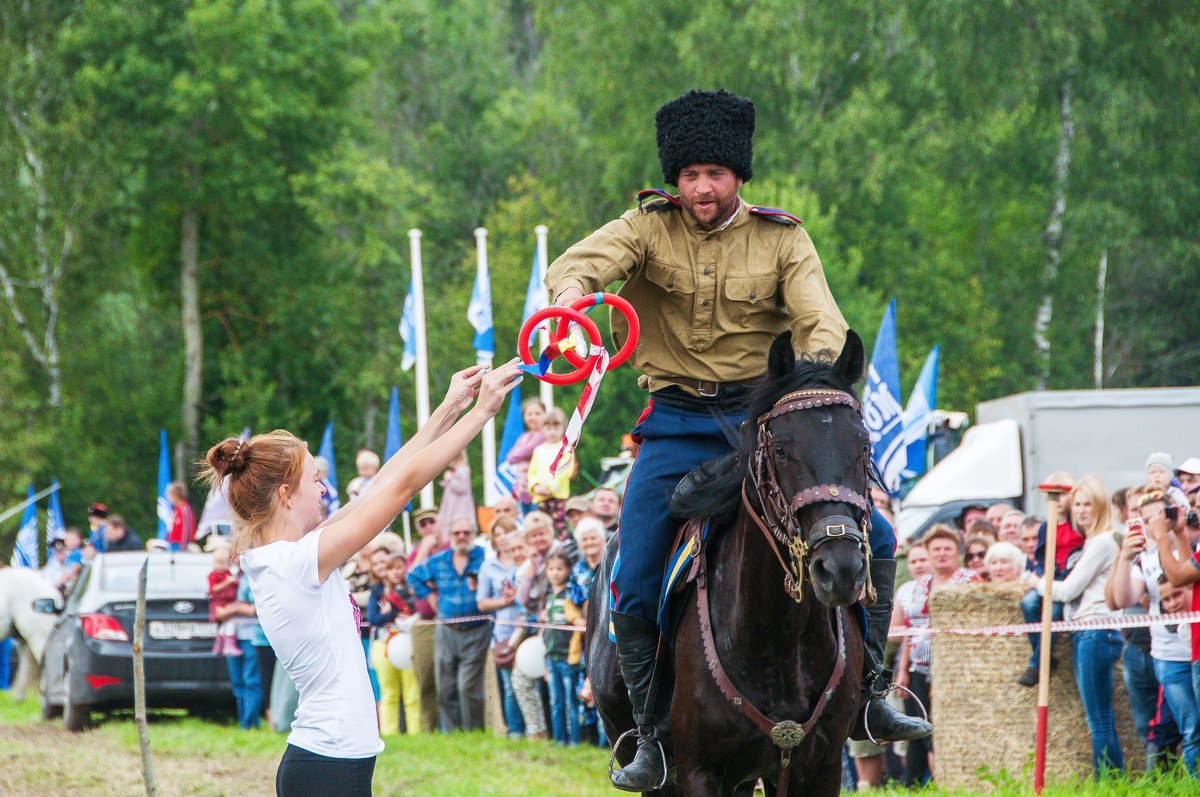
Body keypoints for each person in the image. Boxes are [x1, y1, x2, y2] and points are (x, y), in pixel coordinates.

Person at [546, 88, 925, 790]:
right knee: (631, 574)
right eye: (688, 174)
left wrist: (821, 378)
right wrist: (571, 301)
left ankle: (870, 693)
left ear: (738, 175)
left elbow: (822, 323)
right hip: (674, 425)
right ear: (674, 178)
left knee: (873, 535)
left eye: (714, 173)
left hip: (765, 423)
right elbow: (576, 267)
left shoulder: (785, 239)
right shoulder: (644, 227)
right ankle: (653, 736)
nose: (700, 187)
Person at [201, 360, 520, 795]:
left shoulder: (294, 554)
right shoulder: (295, 562)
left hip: (329, 764)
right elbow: (401, 489)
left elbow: (383, 484)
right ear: (285, 495)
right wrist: (481, 413)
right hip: (325, 767)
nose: (325, 490)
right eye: (316, 480)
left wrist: (450, 407)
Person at [1022, 476, 1123, 774]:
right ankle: (1110, 780)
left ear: (1100, 506)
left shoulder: (1102, 542)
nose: (1081, 510)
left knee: (1099, 719)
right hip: (1087, 631)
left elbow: (1066, 591)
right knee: (1098, 717)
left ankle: (1109, 780)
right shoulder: (1095, 541)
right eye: (1077, 503)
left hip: (1095, 630)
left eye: (1087, 504)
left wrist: (1033, 580)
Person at [1109, 488, 1199, 773]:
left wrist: (1174, 534)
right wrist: (1123, 557)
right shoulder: (1145, 558)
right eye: (1147, 519)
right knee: (1190, 729)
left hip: (1193, 649)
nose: (1154, 524)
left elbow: (1184, 578)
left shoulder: (1191, 545)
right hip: (1168, 655)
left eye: (1160, 515)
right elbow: (1120, 600)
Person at [895, 525, 979, 785]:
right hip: (919, 667)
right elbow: (910, 630)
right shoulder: (918, 586)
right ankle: (913, 784)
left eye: (947, 548)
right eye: (936, 549)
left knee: (944, 728)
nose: (941, 554)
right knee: (917, 728)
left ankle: (947, 781)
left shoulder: (970, 581)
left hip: (954, 669)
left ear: (958, 552)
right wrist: (902, 671)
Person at [408, 515, 492, 732]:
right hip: (446, 628)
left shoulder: (484, 558)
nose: (462, 537)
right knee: (445, 686)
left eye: (466, 533)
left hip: (476, 628)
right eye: (457, 533)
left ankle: (474, 732)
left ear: (473, 535)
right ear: (451, 536)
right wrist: (429, 596)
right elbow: (413, 576)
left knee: (468, 687)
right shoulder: (440, 560)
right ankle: (452, 734)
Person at [1018, 472, 1080, 686]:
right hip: (1050, 577)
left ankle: (1037, 664)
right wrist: (1043, 576)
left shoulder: (1078, 525)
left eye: (1063, 494)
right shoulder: (1046, 527)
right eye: (1053, 495)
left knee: (1053, 612)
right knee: (1028, 603)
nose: (1058, 500)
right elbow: (1042, 557)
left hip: (1068, 579)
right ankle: (1043, 656)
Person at [476, 529, 525, 738]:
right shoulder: (488, 567)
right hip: (503, 631)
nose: (503, 537)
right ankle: (514, 730)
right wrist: (505, 600)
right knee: (510, 686)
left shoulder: (523, 562)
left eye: (507, 530)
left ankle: (537, 729)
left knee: (528, 682)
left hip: (526, 628)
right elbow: (482, 602)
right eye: (498, 533)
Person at [367, 552, 419, 736]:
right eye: (391, 568)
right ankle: (389, 733)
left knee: (412, 691)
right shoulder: (377, 591)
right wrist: (392, 614)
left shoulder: (412, 588)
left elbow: (419, 610)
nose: (394, 572)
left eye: (399, 567)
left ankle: (415, 733)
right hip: (384, 643)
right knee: (389, 692)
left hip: (409, 642)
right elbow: (373, 618)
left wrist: (392, 612)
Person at [407, 505, 446, 734]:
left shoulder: (452, 546)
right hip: (425, 621)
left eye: (432, 521)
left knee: (448, 679)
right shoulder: (417, 552)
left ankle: (450, 728)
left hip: (449, 620)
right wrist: (424, 551)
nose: (429, 527)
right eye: (423, 524)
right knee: (426, 678)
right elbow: (410, 577)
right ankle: (428, 729)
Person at [543, 551, 585, 745]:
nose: (555, 573)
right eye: (551, 569)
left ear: (568, 570)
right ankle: (559, 740)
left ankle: (574, 741)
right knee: (555, 702)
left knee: (570, 702)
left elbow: (576, 624)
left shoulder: (569, 597)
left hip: (568, 658)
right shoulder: (549, 598)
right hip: (551, 658)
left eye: (560, 568)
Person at [527, 408, 575, 536]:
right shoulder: (538, 450)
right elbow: (532, 472)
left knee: (560, 527)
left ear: (563, 428)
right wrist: (535, 486)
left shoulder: (566, 449)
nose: (552, 432)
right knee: (541, 528)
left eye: (556, 428)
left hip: (558, 496)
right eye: (548, 428)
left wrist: (549, 487)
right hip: (541, 498)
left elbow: (566, 470)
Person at [506, 398, 547, 513]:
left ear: (545, 415)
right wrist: (519, 454)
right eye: (529, 414)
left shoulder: (543, 435)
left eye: (537, 413)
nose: (533, 417)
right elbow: (510, 458)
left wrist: (518, 454)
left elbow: (527, 450)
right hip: (523, 487)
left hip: (538, 487)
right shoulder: (524, 436)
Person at [208, 545, 242, 657]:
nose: (221, 566)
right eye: (219, 563)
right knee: (229, 621)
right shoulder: (213, 575)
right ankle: (228, 644)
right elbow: (213, 589)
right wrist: (227, 582)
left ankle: (219, 643)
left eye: (224, 563)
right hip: (220, 603)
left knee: (226, 623)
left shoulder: (229, 573)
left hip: (228, 602)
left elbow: (235, 586)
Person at [437, 452, 475, 530]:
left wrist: (450, 479)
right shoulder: (456, 470)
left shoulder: (463, 470)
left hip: (459, 509)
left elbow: (463, 488)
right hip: (452, 507)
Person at [164, 481, 197, 552]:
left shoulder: (185, 509)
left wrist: (183, 546)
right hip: (173, 544)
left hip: (181, 546)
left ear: (176, 496)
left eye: (171, 496)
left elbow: (187, 529)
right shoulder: (176, 510)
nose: (170, 499)